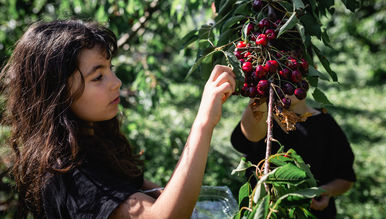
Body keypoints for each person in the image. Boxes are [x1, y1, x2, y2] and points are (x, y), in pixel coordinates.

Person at [0, 20, 236, 218]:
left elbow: (162, 195)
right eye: (98, 76)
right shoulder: (68, 174)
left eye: (110, 69)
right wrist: (203, 123)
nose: (116, 82)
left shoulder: (95, 144)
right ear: (58, 93)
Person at [231, 92, 356, 218]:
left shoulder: (325, 123)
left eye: (296, 72)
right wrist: (260, 90)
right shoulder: (263, 119)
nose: (288, 81)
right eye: (280, 73)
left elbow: (346, 177)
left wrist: (326, 191)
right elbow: (252, 135)